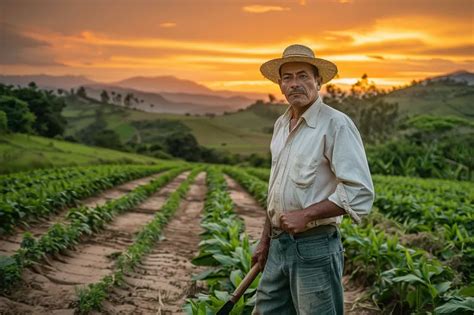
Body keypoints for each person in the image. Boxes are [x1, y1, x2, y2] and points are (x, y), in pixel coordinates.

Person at [251, 44, 375, 315]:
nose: (295, 84)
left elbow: (360, 192)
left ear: (318, 81)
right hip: (278, 245)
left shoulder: (336, 124)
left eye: (303, 76)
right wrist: (264, 241)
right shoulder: (281, 125)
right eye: (288, 77)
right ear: (280, 85)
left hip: (315, 247)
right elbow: (276, 188)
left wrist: (306, 215)